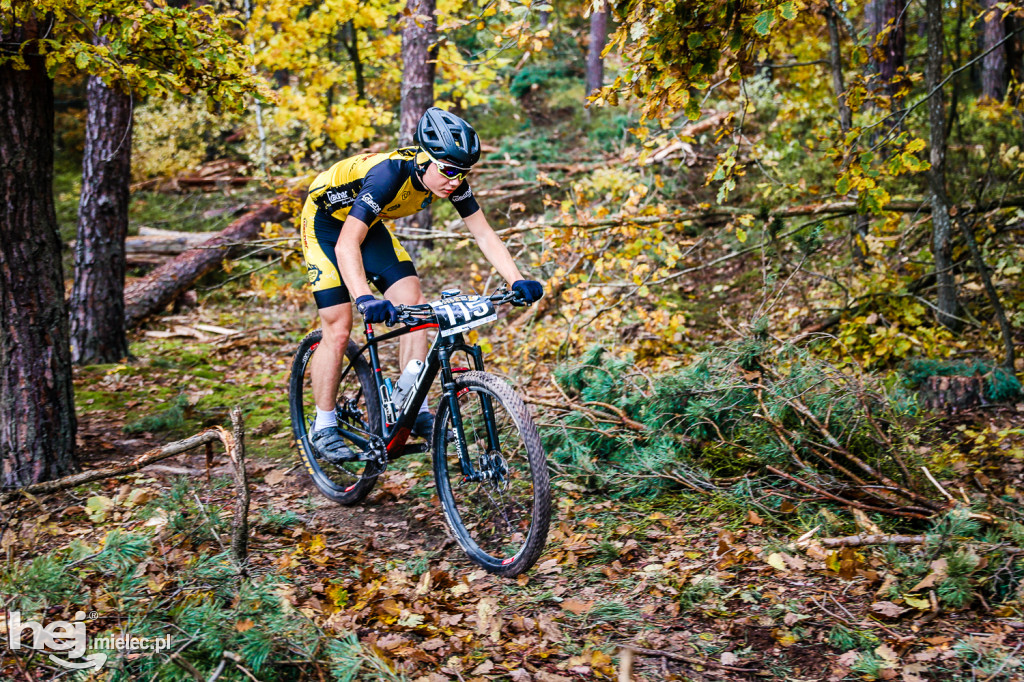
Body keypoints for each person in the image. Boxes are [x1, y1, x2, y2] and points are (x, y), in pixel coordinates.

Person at [299, 107, 544, 463]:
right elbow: (345, 244)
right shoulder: (387, 176)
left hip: (366, 226)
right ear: (423, 158)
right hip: (325, 225)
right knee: (338, 325)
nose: (454, 181)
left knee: (414, 304)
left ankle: (415, 406)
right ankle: (323, 425)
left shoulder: (449, 177)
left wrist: (517, 279)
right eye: (447, 171)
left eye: (462, 173)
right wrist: (365, 298)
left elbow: (483, 233)